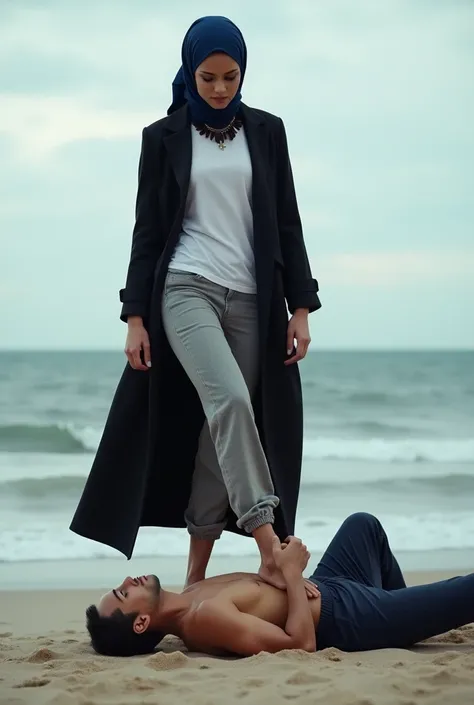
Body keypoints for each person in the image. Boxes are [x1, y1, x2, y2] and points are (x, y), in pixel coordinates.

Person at [70, 15, 321, 589]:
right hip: (186, 288)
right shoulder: (162, 137)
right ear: (189, 72)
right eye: (207, 77)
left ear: (243, 73)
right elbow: (148, 233)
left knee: (220, 430)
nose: (219, 89)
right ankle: (269, 545)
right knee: (230, 399)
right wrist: (135, 316)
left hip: (255, 299)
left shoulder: (267, 132)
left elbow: (286, 222)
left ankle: (195, 578)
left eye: (230, 77)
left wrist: (300, 307)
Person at [86, 512, 474, 657]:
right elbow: (300, 644)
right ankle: (397, 618)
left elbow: (258, 592)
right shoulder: (204, 618)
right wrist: (291, 572)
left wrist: (271, 568)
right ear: (140, 623)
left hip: (329, 584)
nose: (127, 580)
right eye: (124, 593)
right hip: (347, 616)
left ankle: (402, 615)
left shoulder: (191, 592)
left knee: (363, 525)